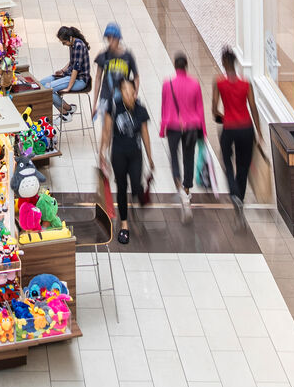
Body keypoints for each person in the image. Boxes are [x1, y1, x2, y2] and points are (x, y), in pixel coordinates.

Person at [212, 47, 262, 222]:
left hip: (229, 128)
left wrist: (223, 117)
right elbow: (253, 107)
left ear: (224, 64)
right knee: (243, 165)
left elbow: (214, 111)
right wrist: (259, 133)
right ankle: (239, 197)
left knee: (226, 159)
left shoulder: (219, 83)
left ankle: (233, 191)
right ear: (235, 63)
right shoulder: (246, 84)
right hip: (246, 128)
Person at [106, 78, 154, 245]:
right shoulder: (114, 107)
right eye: (124, 91)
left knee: (135, 186)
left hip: (135, 154)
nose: (128, 94)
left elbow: (146, 135)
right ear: (121, 92)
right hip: (118, 154)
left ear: (135, 93)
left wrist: (150, 157)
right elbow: (106, 131)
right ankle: (124, 224)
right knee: (121, 187)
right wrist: (102, 153)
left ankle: (138, 192)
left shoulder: (141, 110)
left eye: (131, 91)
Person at [160, 53, 206, 222]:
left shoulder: (167, 84)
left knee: (174, 158)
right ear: (186, 65)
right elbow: (200, 108)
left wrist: (162, 128)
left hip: (173, 126)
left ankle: (180, 188)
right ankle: (187, 190)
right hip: (192, 126)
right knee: (189, 157)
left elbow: (164, 107)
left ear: (175, 65)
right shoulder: (195, 84)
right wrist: (204, 132)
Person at [92, 22, 139, 119]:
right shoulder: (103, 56)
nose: (111, 41)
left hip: (123, 97)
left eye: (113, 38)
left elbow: (136, 77)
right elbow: (97, 79)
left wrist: (134, 94)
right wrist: (95, 104)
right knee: (106, 129)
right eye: (109, 38)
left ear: (118, 38)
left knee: (121, 129)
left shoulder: (128, 56)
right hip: (105, 97)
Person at [41, 25, 91, 117]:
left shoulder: (78, 46)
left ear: (70, 38)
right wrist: (62, 71)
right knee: (41, 85)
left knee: (46, 90)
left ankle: (67, 111)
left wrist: (69, 87)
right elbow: (72, 61)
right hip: (69, 75)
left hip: (79, 80)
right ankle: (67, 111)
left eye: (64, 42)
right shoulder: (72, 44)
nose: (64, 44)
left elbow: (76, 69)